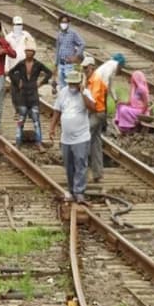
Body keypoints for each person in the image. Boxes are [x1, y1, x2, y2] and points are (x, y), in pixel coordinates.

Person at [49, 70, 96, 203]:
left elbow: (93, 108)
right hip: (66, 138)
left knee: (80, 163)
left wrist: (83, 93)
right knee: (69, 165)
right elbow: (57, 110)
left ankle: (79, 191)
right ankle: (71, 189)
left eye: (75, 83)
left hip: (81, 137)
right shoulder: (63, 92)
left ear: (79, 83)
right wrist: (52, 127)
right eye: (71, 83)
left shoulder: (85, 93)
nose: (72, 86)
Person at [9, 38, 52, 150]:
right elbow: (10, 72)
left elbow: (49, 72)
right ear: (25, 52)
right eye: (27, 51)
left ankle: (39, 143)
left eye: (31, 51)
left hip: (33, 95)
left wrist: (41, 82)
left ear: (34, 53)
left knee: (36, 121)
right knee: (20, 120)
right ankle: (18, 142)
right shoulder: (21, 63)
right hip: (23, 95)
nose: (29, 53)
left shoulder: (37, 64)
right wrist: (17, 82)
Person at [82, 55, 108, 183]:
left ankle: (82, 171)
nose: (84, 70)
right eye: (83, 68)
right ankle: (98, 173)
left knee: (84, 138)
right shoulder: (90, 80)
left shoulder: (96, 80)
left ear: (92, 67)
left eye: (86, 68)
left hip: (96, 113)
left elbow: (93, 100)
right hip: (97, 113)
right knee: (95, 144)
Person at [4, 16, 35, 111]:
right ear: (13, 25)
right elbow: (5, 54)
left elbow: (33, 47)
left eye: (20, 25)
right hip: (13, 66)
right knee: (15, 89)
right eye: (16, 25)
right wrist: (6, 67)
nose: (18, 26)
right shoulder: (8, 37)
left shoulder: (26, 35)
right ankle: (17, 108)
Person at [52, 14, 85, 91]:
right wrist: (56, 64)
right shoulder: (59, 34)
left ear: (69, 23)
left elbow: (82, 44)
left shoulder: (73, 33)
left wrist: (76, 56)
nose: (64, 24)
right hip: (61, 64)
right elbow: (58, 49)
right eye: (62, 22)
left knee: (71, 86)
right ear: (59, 23)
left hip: (69, 65)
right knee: (62, 87)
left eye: (65, 22)